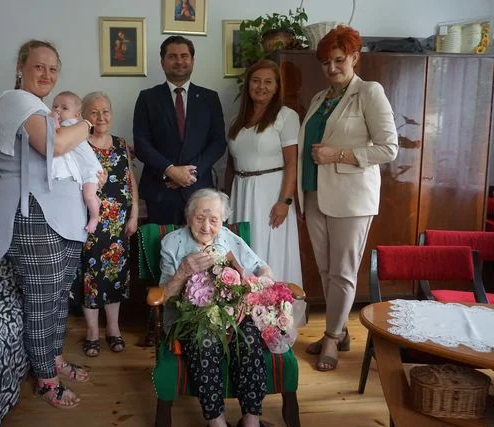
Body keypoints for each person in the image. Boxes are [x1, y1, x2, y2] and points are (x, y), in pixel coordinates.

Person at [0, 39, 99, 409]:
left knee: (59, 296)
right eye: (39, 66)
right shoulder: (16, 100)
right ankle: (46, 380)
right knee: (40, 300)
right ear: (20, 67)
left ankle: (55, 359)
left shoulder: (45, 110)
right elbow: (57, 145)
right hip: (34, 214)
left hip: (67, 217)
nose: (47, 74)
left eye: (53, 69)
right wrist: (86, 122)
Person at [297, 26, 398, 371]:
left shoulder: (369, 92)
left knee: (343, 272)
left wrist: (338, 155)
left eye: (339, 60)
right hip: (314, 194)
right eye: (325, 62)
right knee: (326, 270)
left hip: (352, 198)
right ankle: (338, 330)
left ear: (354, 57)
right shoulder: (319, 98)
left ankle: (331, 337)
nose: (332, 68)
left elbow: (389, 148)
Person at [159, 188, 271, 427]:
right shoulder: (172, 243)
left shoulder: (229, 238)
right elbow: (165, 297)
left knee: (249, 338)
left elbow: (261, 267)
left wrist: (260, 281)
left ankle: (251, 420)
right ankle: (216, 422)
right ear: (189, 217)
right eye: (200, 218)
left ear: (223, 221)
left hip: (232, 314)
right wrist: (182, 272)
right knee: (205, 340)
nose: (206, 226)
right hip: (190, 316)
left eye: (214, 220)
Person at [224, 59, 306, 327]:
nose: (261, 86)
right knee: (244, 249)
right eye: (256, 81)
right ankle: (246, 316)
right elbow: (231, 164)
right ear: (248, 85)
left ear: (277, 87)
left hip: (271, 193)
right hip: (241, 191)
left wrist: (285, 201)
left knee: (270, 251)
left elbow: (292, 162)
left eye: (268, 82)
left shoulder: (286, 116)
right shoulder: (237, 120)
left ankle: (276, 318)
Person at [133, 35, 227, 225]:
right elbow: (142, 144)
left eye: (184, 56)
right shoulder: (147, 98)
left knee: (202, 241)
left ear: (192, 60)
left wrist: (190, 174)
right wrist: (170, 170)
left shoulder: (210, 98)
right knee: (161, 242)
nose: (179, 61)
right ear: (162, 62)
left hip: (200, 189)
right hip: (160, 190)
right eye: (172, 56)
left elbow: (218, 143)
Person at [77, 91, 139, 357]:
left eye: (105, 111)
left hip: (118, 225)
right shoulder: (79, 145)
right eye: (94, 112)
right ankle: (92, 331)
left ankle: (113, 328)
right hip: (89, 224)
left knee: (116, 276)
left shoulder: (122, 144)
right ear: (84, 116)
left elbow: (130, 181)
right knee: (90, 278)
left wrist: (134, 214)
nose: (101, 117)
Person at [51, 90, 103, 233]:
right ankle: (95, 201)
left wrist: (53, 119)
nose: (58, 110)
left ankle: (94, 217)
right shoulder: (73, 126)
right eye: (55, 106)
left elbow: (57, 135)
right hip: (88, 169)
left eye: (64, 108)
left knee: (88, 196)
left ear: (76, 115)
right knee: (90, 195)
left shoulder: (69, 125)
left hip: (90, 170)